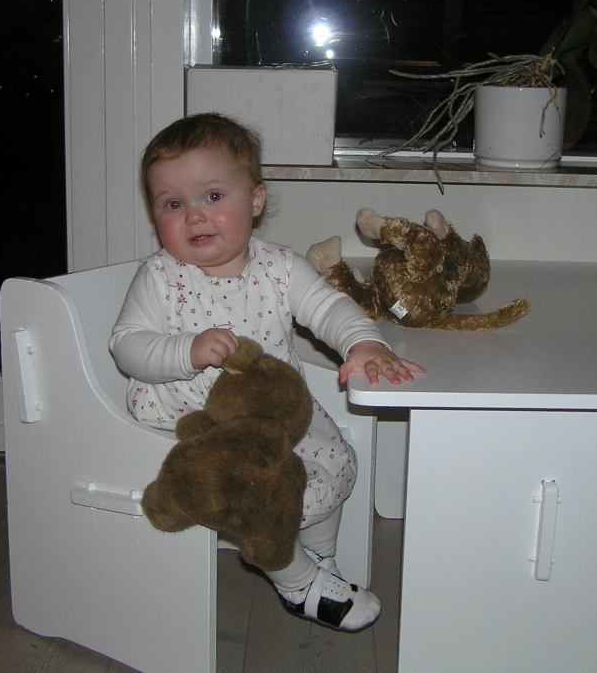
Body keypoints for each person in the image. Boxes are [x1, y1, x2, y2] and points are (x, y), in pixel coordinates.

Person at [109, 112, 424, 632]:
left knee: (336, 456)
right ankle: (295, 580)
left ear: (255, 200)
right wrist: (185, 350)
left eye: (213, 196)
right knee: (250, 483)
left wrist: (364, 342)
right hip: (193, 423)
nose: (194, 216)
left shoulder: (279, 267)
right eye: (173, 204)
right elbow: (127, 346)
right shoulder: (160, 277)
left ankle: (319, 557)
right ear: (154, 212)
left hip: (273, 415)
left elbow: (329, 308)